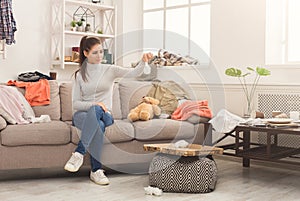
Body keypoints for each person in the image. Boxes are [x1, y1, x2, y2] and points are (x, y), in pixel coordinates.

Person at [64, 36, 154, 185]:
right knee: (97, 125)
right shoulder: (80, 75)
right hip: (82, 115)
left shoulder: (110, 70)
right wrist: (96, 104)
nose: (100, 56)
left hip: (106, 115)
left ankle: (79, 153)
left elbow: (133, 73)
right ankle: (96, 171)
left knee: (99, 116)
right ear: (85, 53)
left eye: (101, 51)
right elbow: (76, 104)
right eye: (95, 53)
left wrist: (143, 61)